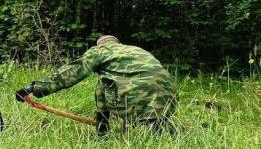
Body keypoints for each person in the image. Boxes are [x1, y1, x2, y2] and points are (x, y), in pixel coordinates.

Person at [15, 35, 177, 136]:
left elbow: (72, 72)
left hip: (135, 98)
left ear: (101, 45)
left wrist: (34, 88)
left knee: (102, 83)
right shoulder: (135, 49)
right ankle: (158, 126)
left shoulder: (100, 51)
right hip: (169, 98)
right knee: (116, 81)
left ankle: (103, 129)